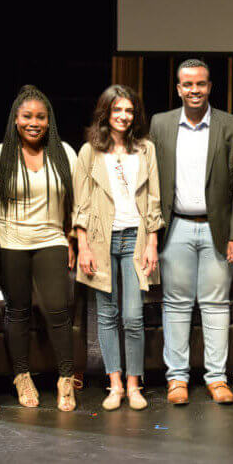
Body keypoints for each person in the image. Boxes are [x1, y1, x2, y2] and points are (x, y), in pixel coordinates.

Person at [150, 58, 233, 405]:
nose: (194, 90)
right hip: (175, 226)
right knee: (176, 305)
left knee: (215, 304)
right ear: (178, 88)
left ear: (210, 87)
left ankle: (216, 378)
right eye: (188, 85)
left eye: (201, 84)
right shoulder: (160, 124)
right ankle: (177, 378)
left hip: (217, 230)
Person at [73, 85, 163, 411]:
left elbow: (154, 200)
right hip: (101, 240)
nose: (123, 116)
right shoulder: (89, 152)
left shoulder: (146, 150)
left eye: (129, 110)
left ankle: (134, 384)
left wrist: (153, 242)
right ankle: (114, 385)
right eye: (117, 110)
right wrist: (83, 247)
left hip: (135, 239)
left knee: (134, 316)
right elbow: (80, 206)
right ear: (106, 113)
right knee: (107, 316)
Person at [0, 85, 78, 412]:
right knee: (18, 310)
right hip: (10, 241)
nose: (34, 122)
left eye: (40, 117)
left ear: (49, 120)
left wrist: (71, 238)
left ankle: (66, 378)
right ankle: (21, 376)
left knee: (57, 310)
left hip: (51, 239)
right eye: (27, 116)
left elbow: (75, 202)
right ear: (16, 119)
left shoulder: (64, 153)